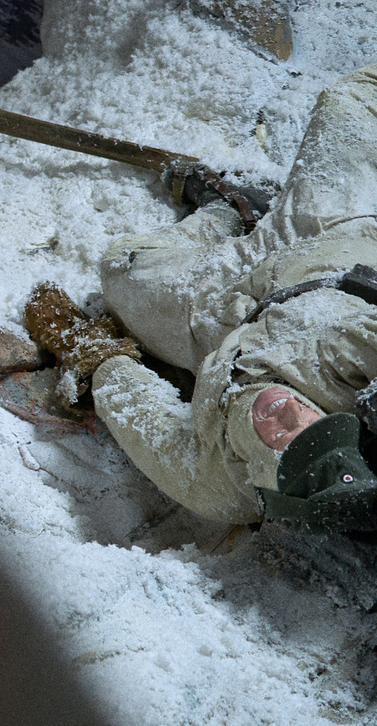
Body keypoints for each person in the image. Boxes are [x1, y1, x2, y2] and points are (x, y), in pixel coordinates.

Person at [28, 65, 377, 532]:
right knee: (349, 100)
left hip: (228, 313)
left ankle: (229, 212)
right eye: (316, 423)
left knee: (122, 264)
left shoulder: (221, 485)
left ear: (267, 477)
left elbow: (139, 414)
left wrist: (92, 354)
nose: (287, 412)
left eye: (288, 440)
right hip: (337, 246)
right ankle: (250, 207)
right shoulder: (359, 365)